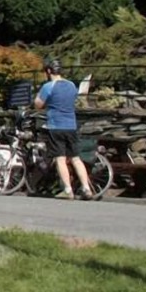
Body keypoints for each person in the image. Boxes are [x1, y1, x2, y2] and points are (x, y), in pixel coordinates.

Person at [34, 59, 94, 200]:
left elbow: (38, 104)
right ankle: (86, 188)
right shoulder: (72, 85)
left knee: (60, 158)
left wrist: (41, 97)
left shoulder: (49, 87)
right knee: (75, 158)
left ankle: (68, 190)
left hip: (56, 126)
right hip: (71, 125)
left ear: (49, 71)